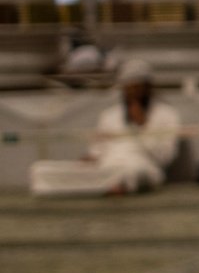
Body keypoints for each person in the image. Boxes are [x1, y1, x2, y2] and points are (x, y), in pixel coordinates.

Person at [31, 58, 182, 197]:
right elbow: (97, 150)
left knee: (132, 172)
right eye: (128, 89)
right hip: (107, 166)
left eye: (137, 88)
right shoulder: (109, 115)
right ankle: (104, 185)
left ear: (147, 89)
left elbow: (164, 158)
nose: (133, 94)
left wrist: (142, 126)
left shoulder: (167, 115)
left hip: (143, 165)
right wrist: (89, 159)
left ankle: (109, 185)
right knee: (40, 170)